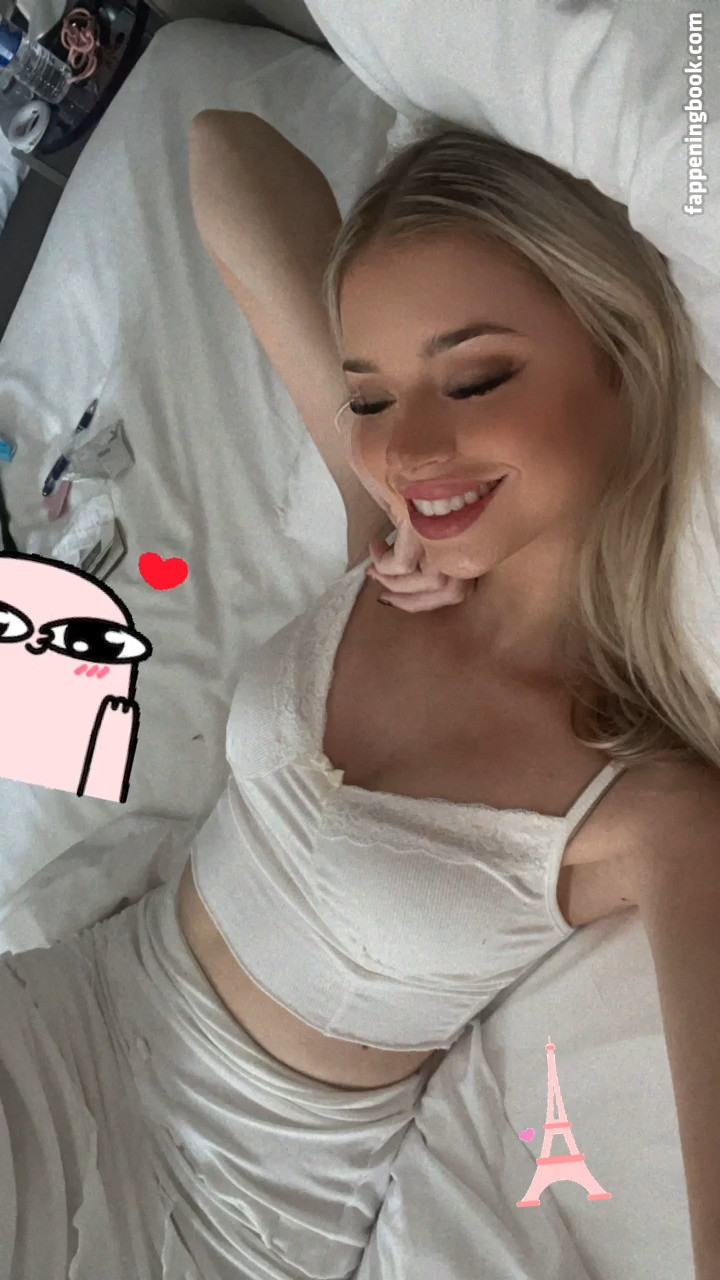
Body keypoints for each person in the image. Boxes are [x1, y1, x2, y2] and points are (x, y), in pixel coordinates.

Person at [1, 110, 719, 1280]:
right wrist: (385, 482)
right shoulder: (380, 558)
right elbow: (222, 152)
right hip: (70, 1016)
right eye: (373, 396)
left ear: (621, 360)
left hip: (222, 1220)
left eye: (474, 376)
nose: (409, 443)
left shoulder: (651, 811)